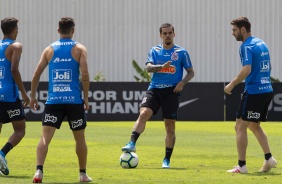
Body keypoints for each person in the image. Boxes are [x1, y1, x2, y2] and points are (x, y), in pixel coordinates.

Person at [122, 23, 194, 168]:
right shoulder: (154, 51)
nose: (167, 35)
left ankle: (166, 159)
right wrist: (161, 67)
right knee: (143, 113)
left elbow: (191, 72)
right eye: (164, 33)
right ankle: (132, 143)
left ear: (174, 34)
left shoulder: (181, 52)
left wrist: (182, 83)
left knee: (170, 128)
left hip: (171, 92)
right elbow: (148, 68)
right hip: (154, 89)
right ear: (160, 35)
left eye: (169, 33)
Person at [29, 17, 92, 183]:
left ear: (58, 30)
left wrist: (33, 96)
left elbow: (36, 74)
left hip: (53, 101)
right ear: (73, 30)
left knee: (45, 138)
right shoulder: (79, 48)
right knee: (80, 138)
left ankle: (38, 172)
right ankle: (82, 174)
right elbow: (84, 75)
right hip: (74, 101)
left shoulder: (49, 49)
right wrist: (85, 98)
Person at [225, 17, 277, 173]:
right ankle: (269, 159)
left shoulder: (246, 46)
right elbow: (268, 67)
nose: (232, 34)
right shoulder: (262, 43)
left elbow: (246, 70)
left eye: (234, 30)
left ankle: (242, 166)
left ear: (242, 29)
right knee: (254, 125)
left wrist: (232, 83)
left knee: (240, 126)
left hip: (255, 91)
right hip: (266, 89)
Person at [0, 17, 30, 175]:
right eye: (17, 28)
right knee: (20, 130)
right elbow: (14, 70)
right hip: (9, 95)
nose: (18, 31)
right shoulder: (16, 46)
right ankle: (2, 153)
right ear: (13, 30)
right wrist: (24, 93)